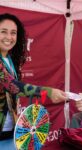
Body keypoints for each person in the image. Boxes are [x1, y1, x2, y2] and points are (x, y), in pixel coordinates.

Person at [0, 13, 67, 149]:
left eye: (13, 33)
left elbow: (14, 93)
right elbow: (12, 85)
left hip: (10, 130)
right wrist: (47, 91)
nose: (9, 37)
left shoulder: (10, 59)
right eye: (3, 32)